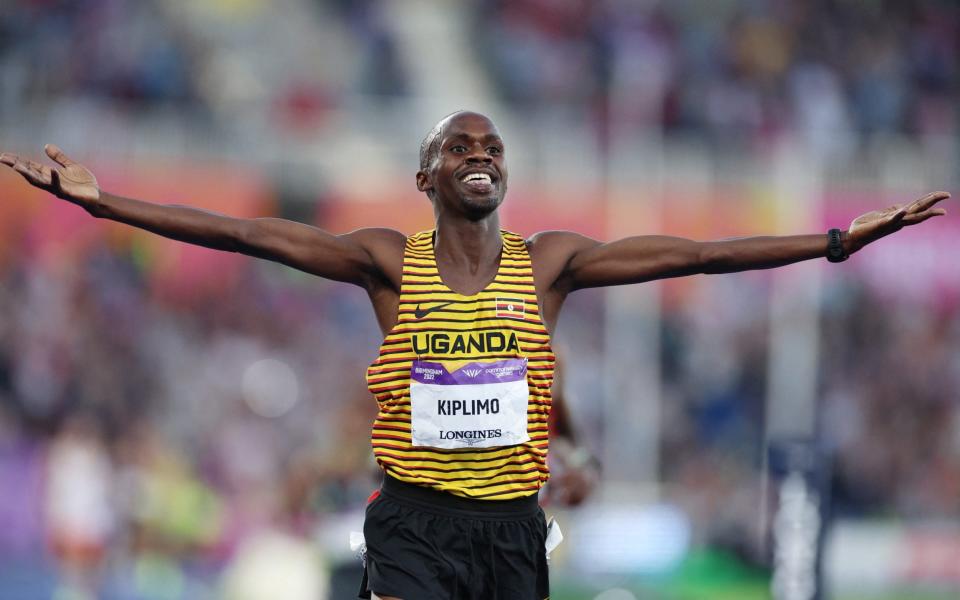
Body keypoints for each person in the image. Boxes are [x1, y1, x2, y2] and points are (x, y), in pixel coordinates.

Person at [0, 110, 950, 600]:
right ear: (428, 176)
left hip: (509, 528)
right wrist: (101, 201)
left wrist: (834, 242)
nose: (480, 152)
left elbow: (698, 255)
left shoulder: (551, 266)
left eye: (492, 144)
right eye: (459, 144)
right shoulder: (385, 261)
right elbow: (244, 234)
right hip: (413, 520)